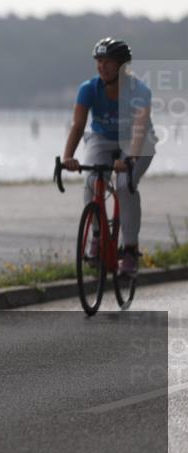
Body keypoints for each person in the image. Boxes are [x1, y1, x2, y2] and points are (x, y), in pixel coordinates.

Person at [61, 37, 155, 275]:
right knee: (92, 180)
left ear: (122, 65)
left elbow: (139, 129)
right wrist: (67, 157)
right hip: (102, 138)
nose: (102, 66)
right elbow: (78, 125)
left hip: (138, 141)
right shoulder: (88, 89)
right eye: (99, 61)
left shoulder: (140, 91)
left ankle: (130, 249)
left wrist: (130, 159)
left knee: (125, 185)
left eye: (108, 62)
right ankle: (96, 234)